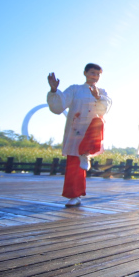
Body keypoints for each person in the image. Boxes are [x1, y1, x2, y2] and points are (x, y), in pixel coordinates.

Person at [47, 63, 112, 207]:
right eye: (92, 73)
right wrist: (53, 90)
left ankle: (87, 152)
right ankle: (75, 195)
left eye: (97, 74)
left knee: (98, 122)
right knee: (74, 164)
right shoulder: (75, 89)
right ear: (85, 73)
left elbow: (103, 110)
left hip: (92, 130)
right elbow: (59, 107)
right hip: (76, 129)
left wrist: (98, 97)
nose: (94, 76)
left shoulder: (102, 91)